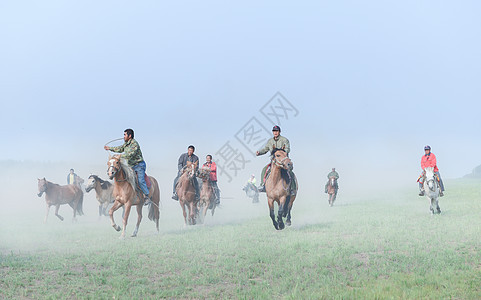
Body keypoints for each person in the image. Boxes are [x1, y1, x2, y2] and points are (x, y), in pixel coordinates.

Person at [104, 129, 151, 205]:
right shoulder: (126, 144)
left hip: (139, 165)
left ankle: (146, 196)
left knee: (140, 180)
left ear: (130, 136)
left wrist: (119, 156)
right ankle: (118, 195)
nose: (124, 136)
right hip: (131, 166)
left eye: (125, 135)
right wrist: (109, 148)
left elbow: (130, 154)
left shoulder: (134, 144)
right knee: (123, 177)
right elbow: (120, 148)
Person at [256, 125, 295, 194]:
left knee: (290, 173)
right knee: (264, 169)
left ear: (279, 132)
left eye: (276, 131)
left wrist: (279, 152)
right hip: (274, 162)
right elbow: (265, 149)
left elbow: (287, 149)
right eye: (274, 131)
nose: (275, 132)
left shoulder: (284, 140)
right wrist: (259, 152)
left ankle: (292, 188)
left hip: (283, 162)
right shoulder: (270, 141)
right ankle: (262, 185)